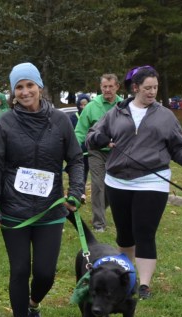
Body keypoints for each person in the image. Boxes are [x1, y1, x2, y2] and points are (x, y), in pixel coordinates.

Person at [0, 62, 85, 317]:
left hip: (50, 210)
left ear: (39, 86)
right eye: (19, 87)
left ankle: (33, 306)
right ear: (13, 93)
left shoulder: (60, 121)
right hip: (14, 210)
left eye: (30, 85)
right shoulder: (5, 123)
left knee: (45, 273)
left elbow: (76, 160)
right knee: (19, 270)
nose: (25, 91)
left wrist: (75, 192)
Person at [85, 66, 182, 300]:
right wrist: (100, 138)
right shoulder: (116, 113)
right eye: (148, 88)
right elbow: (91, 136)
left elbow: (178, 147)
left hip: (152, 182)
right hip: (118, 182)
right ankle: (126, 278)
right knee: (125, 235)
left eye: (156, 88)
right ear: (135, 87)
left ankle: (144, 286)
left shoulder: (165, 116)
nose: (152, 92)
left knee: (145, 233)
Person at [74, 73, 122, 232]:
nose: (107, 90)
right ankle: (99, 224)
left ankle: (101, 208)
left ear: (117, 87)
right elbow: (80, 131)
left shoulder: (124, 105)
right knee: (98, 185)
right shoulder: (91, 107)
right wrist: (73, 148)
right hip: (96, 151)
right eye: (104, 87)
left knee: (113, 187)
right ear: (101, 87)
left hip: (117, 153)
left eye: (110, 86)